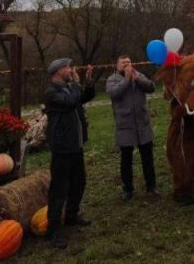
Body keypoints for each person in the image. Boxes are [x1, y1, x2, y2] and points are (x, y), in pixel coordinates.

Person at [43, 58, 95, 248]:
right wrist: (75, 83)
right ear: (58, 72)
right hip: (63, 148)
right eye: (67, 67)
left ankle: (72, 216)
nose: (70, 69)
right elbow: (72, 101)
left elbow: (84, 97)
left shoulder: (67, 89)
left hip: (76, 145)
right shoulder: (52, 93)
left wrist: (88, 81)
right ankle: (53, 230)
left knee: (79, 182)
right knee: (59, 189)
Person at [105, 55, 158, 201]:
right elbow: (114, 93)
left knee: (147, 157)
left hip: (142, 123)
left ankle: (151, 187)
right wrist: (127, 79)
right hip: (125, 125)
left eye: (129, 62)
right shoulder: (112, 79)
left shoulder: (138, 75)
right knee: (126, 159)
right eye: (123, 63)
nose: (127, 64)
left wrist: (138, 79)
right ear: (117, 66)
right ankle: (128, 189)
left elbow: (151, 87)